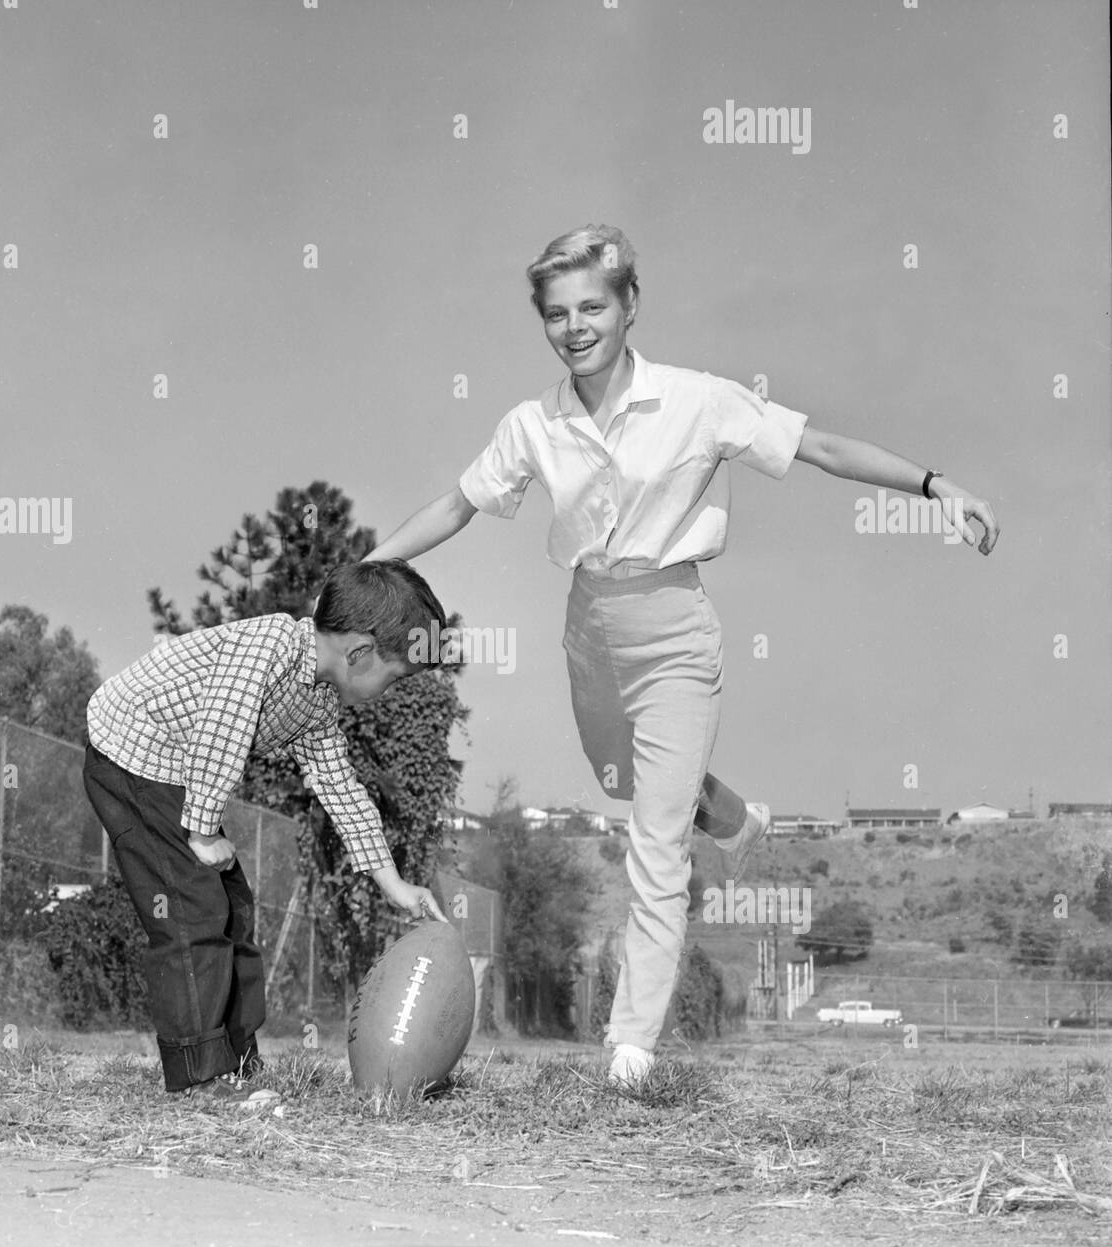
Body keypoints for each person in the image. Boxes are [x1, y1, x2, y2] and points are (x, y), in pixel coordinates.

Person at [367, 225, 999, 1089]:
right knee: (622, 781)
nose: (576, 325)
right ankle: (730, 813)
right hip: (589, 626)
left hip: (674, 629)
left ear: (630, 304)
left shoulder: (700, 400)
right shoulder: (533, 423)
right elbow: (455, 507)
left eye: (594, 305)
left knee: (654, 839)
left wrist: (937, 486)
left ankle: (631, 1047)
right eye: (557, 313)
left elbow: (821, 447)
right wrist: (369, 566)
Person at [83, 559, 449, 1103]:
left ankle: (235, 1058)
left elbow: (339, 786)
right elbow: (220, 732)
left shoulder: (319, 699)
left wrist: (394, 884)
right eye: (394, 678)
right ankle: (199, 1074)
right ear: (360, 653)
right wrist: (204, 832)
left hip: (177, 773)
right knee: (192, 911)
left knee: (234, 907)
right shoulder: (271, 647)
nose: (389, 691)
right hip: (131, 757)